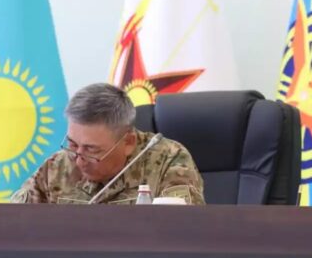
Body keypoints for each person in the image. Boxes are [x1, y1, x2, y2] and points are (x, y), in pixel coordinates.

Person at [11, 83, 205, 204]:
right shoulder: (57, 166)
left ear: (128, 142)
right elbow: (12, 224)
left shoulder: (168, 160)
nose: (78, 160)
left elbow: (183, 230)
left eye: (91, 150)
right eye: (72, 144)